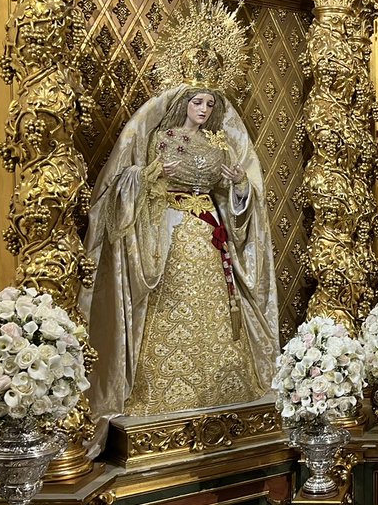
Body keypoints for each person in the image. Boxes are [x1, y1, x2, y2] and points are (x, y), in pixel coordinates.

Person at [82, 84, 280, 417]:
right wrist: (152, 173)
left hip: (209, 229)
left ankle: (221, 389)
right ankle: (161, 389)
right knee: (173, 294)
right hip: (172, 227)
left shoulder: (220, 144)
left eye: (210, 104)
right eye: (197, 102)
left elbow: (235, 199)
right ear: (184, 104)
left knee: (215, 298)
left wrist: (239, 183)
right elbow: (131, 182)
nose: (203, 109)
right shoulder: (162, 138)